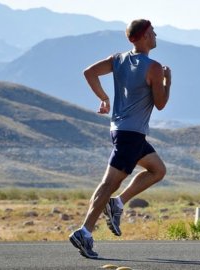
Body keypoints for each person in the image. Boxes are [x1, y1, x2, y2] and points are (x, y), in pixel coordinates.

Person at [69, 19, 171, 259]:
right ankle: (84, 232)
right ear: (145, 35)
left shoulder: (118, 59)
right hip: (131, 135)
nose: (156, 35)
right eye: (153, 32)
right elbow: (161, 103)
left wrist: (104, 98)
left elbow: (89, 72)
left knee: (158, 170)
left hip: (122, 130)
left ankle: (117, 203)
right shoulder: (154, 68)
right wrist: (168, 81)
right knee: (108, 184)